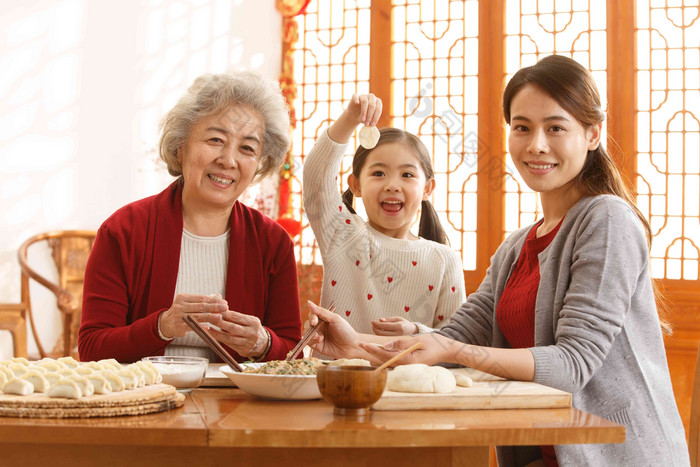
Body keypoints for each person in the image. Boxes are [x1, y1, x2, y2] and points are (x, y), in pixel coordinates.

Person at [306, 55, 689, 466]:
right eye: (522, 127)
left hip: (617, 456)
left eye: (555, 127)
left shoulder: (607, 219)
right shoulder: (516, 248)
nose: (536, 144)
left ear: (593, 134)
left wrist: (449, 346)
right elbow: (453, 340)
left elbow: (572, 365)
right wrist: (356, 343)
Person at [79, 71, 302, 364]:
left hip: (240, 405)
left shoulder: (273, 242)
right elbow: (92, 348)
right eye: (215, 139)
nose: (228, 160)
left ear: (260, 163)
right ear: (181, 146)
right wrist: (161, 327)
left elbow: (293, 353)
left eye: (247, 148)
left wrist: (262, 344)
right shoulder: (124, 230)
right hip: (145, 399)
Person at [302, 93, 465, 337]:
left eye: (407, 175)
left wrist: (415, 331)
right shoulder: (343, 234)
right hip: (335, 375)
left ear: (427, 189)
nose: (392, 185)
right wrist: (349, 119)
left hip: (409, 376)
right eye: (378, 173)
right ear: (355, 185)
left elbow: (455, 340)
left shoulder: (444, 259)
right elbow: (316, 176)